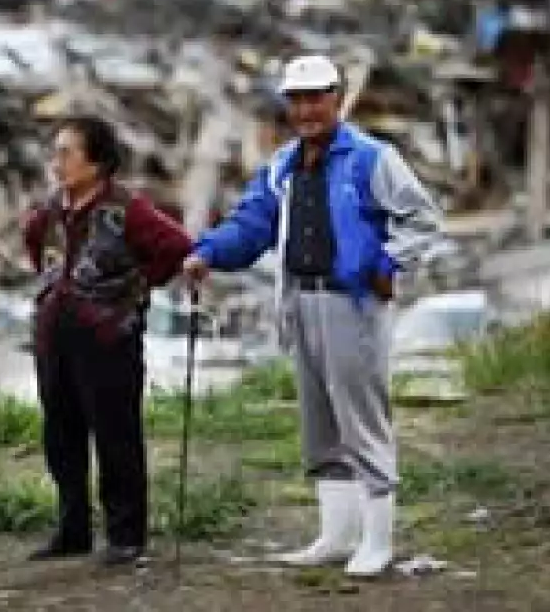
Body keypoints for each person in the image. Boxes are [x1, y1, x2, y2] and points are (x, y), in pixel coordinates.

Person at [182, 54, 442, 577]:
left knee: (361, 418)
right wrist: (208, 252)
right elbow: (252, 223)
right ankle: (335, 536)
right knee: (319, 421)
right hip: (299, 299)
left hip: (352, 303)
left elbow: (423, 218)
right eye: (296, 100)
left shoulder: (372, 158)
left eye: (316, 96)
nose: (306, 109)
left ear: (338, 98)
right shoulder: (282, 166)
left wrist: (389, 261)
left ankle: (378, 540)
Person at [23, 115, 192, 566]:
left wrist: (135, 290)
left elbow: (176, 247)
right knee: (61, 434)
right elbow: (34, 245)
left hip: (107, 339)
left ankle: (126, 535)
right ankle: (72, 529)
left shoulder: (126, 209)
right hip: (55, 337)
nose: (56, 162)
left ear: (95, 163)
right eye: (54, 152)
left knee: (116, 436)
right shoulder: (50, 210)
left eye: (66, 153)